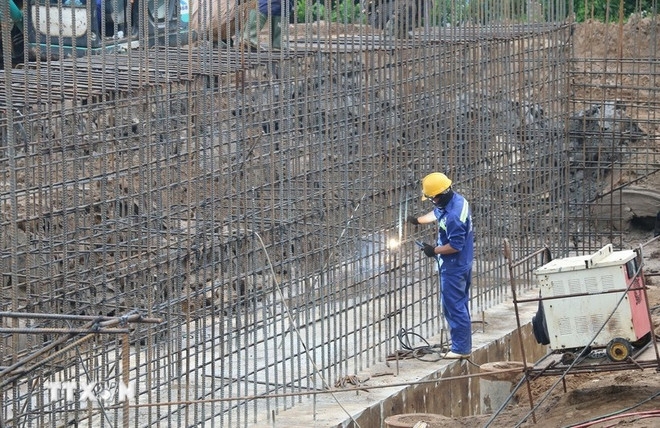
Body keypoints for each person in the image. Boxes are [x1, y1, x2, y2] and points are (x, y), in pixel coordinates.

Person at [407, 172, 474, 359]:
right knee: (459, 303)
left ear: (440, 195)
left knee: (453, 306)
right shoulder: (456, 201)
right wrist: (418, 221)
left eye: (432, 198)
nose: (432, 201)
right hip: (463, 262)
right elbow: (438, 213)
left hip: (454, 266)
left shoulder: (453, 216)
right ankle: (462, 344)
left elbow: (455, 246)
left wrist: (434, 250)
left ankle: (461, 349)